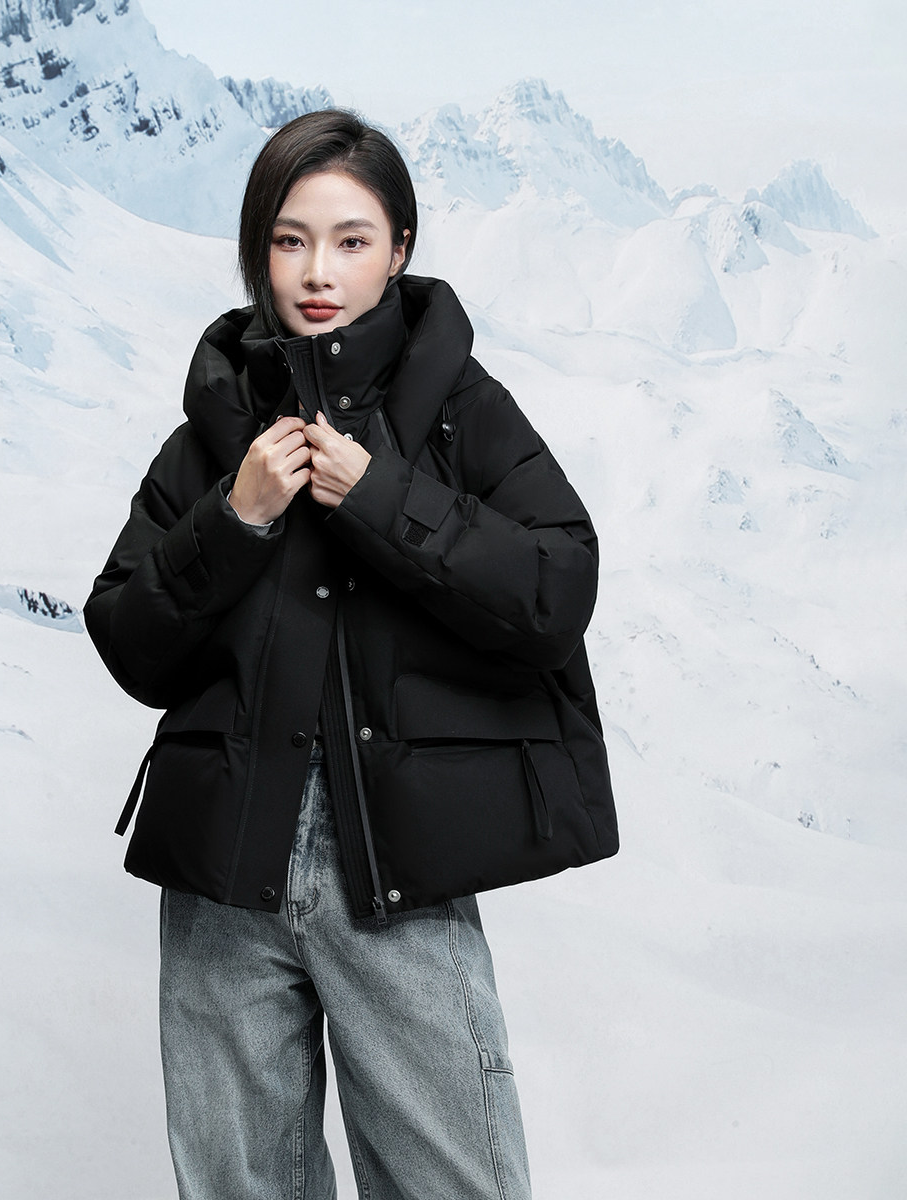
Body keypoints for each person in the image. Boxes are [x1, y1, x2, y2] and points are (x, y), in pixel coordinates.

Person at [85, 109, 617, 1200]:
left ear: (400, 249)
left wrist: (381, 499)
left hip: (398, 872)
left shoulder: (464, 412)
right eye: (289, 240)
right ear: (257, 251)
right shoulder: (210, 433)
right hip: (221, 879)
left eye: (351, 239)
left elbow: (556, 591)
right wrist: (234, 518)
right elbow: (131, 643)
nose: (318, 272)